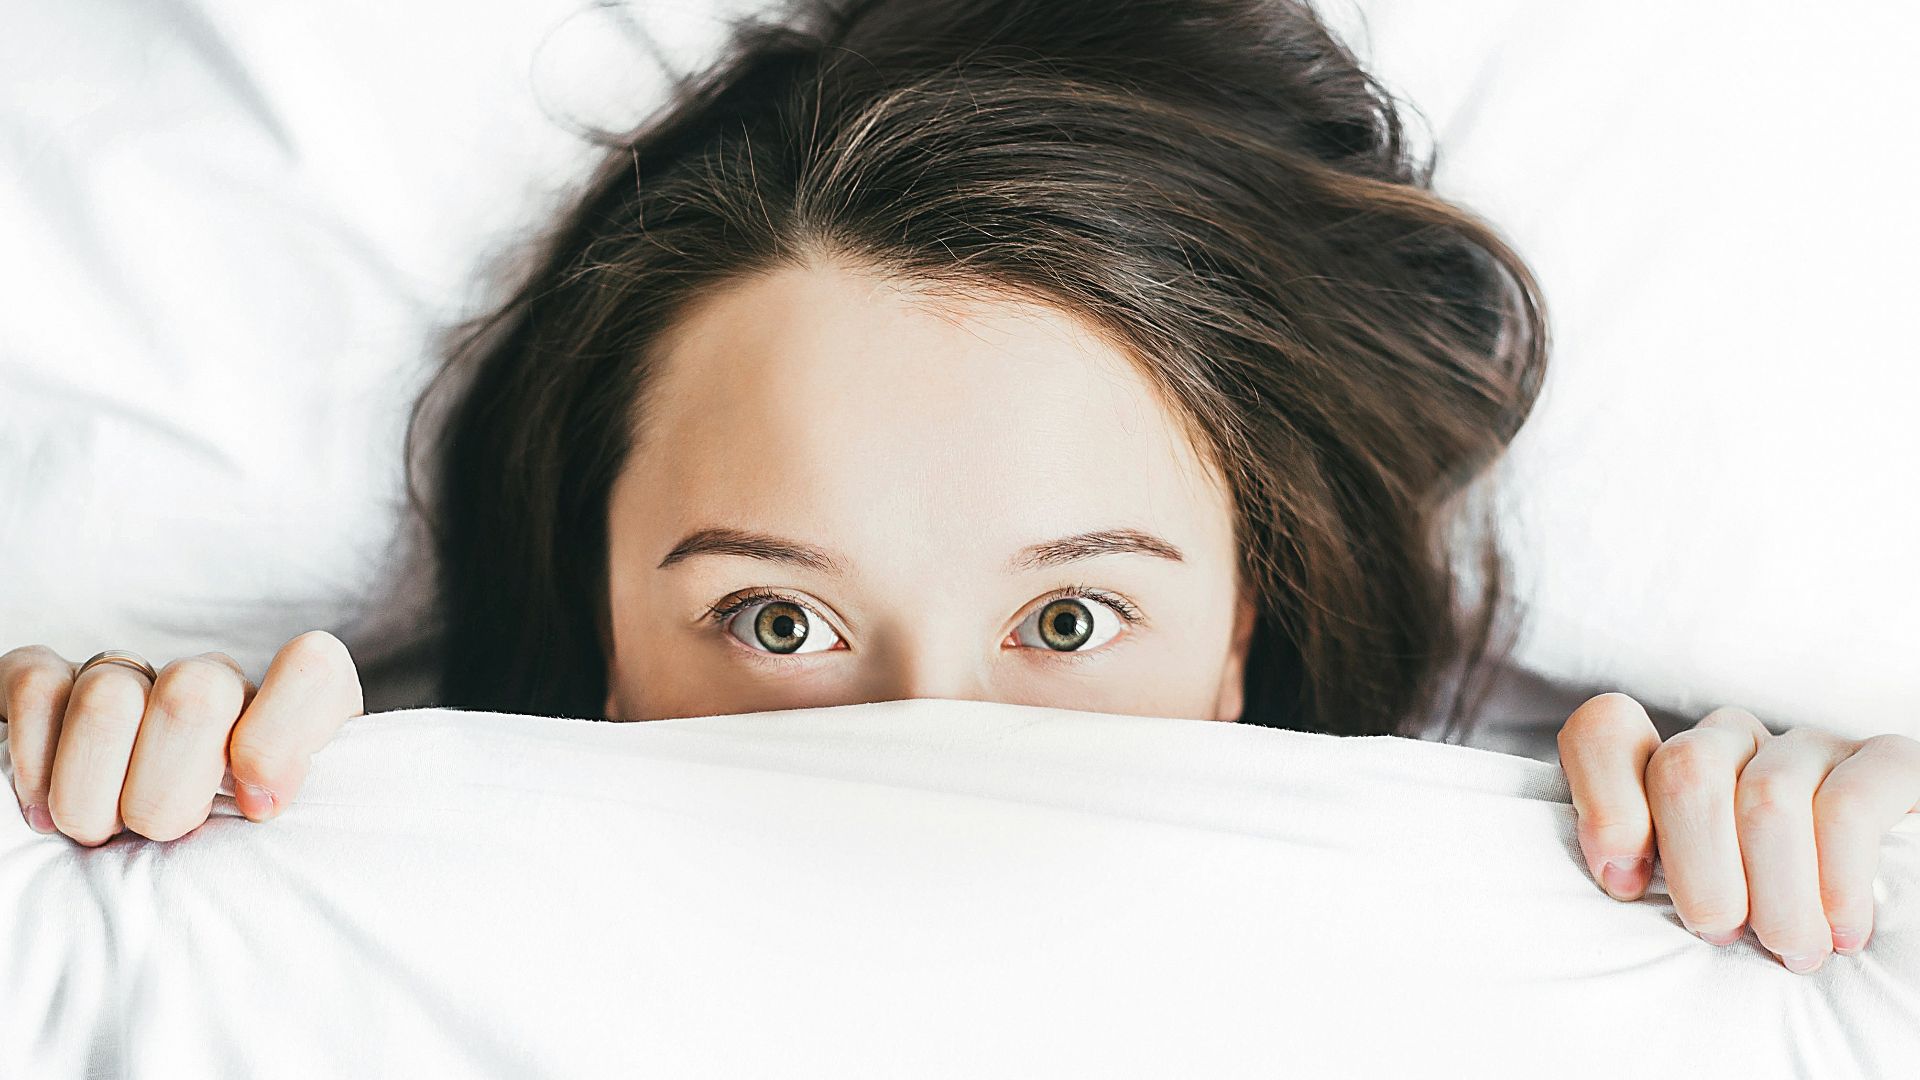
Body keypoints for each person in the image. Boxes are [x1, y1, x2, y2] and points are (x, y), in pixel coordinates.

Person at [2, 0, 1914, 979]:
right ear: (593, 629)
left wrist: (1848, 863)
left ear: (1243, 632)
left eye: (1069, 620)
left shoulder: (1581, 917)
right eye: (777, 620)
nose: (924, 756)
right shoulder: (317, 913)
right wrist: (96, 808)